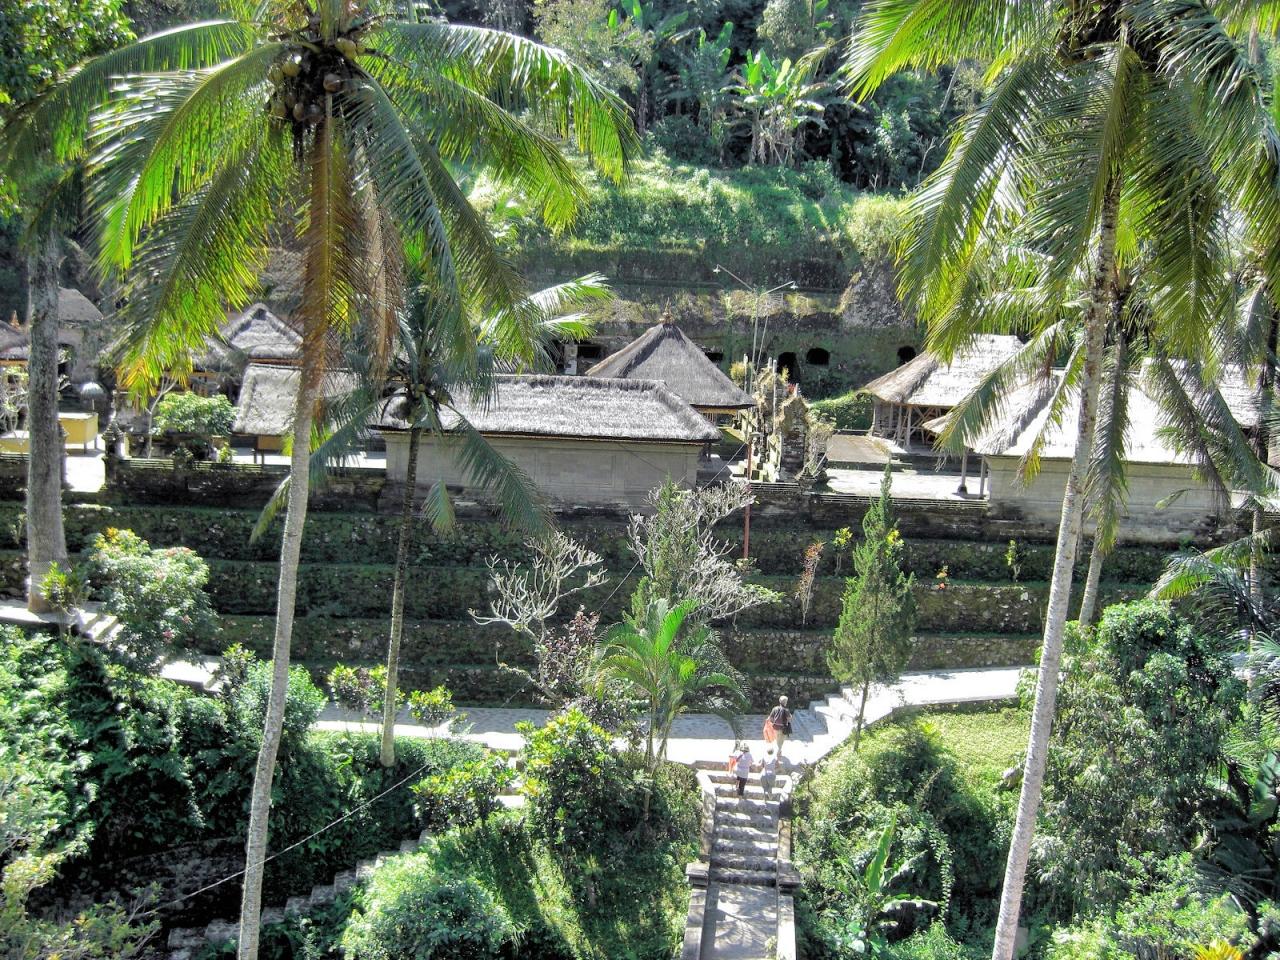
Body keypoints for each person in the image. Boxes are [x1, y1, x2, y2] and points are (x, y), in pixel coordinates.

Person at [764, 695, 792, 760]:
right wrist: (790, 716)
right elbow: (789, 719)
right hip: (783, 729)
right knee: (781, 742)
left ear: (779, 701)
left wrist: (773, 723)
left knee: (777, 740)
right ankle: (778, 753)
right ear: (785, 702)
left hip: (775, 728)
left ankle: (777, 751)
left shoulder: (775, 708)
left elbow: (770, 718)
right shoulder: (786, 710)